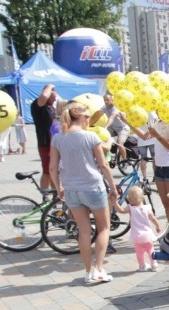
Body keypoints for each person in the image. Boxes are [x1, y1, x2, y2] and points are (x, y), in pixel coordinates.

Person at [50, 101, 117, 283]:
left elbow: (52, 167)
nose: (89, 119)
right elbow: (103, 165)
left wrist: (58, 188)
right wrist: (112, 186)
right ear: (80, 118)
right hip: (93, 186)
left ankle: (88, 271)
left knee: (84, 231)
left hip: (71, 189)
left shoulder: (58, 138)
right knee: (104, 228)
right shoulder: (90, 137)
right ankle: (100, 268)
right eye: (87, 116)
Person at [129, 113, 169, 229]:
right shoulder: (156, 122)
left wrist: (157, 135)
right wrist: (129, 123)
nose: (158, 111)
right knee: (166, 204)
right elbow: (144, 137)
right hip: (159, 167)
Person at [112, 185, 161, 272]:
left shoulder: (130, 208)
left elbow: (121, 210)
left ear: (129, 200)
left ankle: (142, 266)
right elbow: (153, 218)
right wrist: (157, 226)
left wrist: (115, 203)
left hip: (136, 235)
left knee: (139, 252)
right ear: (142, 198)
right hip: (147, 235)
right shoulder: (147, 208)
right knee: (150, 250)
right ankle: (154, 265)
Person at [30, 84, 57, 192]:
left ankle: (55, 194)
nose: (53, 99)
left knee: (54, 170)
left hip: (54, 143)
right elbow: (43, 97)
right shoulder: (38, 105)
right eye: (52, 97)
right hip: (45, 143)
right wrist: (50, 86)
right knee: (47, 171)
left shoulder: (51, 107)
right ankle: (44, 196)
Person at [103, 93, 130, 162]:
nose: (106, 101)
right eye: (104, 100)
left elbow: (112, 117)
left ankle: (125, 160)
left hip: (122, 128)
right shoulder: (104, 107)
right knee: (103, 138)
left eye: (107, 100)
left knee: (120, 144)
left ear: (112, 100)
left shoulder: (116, 107)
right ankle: (107, 156)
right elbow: (98, 114)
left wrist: (105, 127)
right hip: (113, 128)